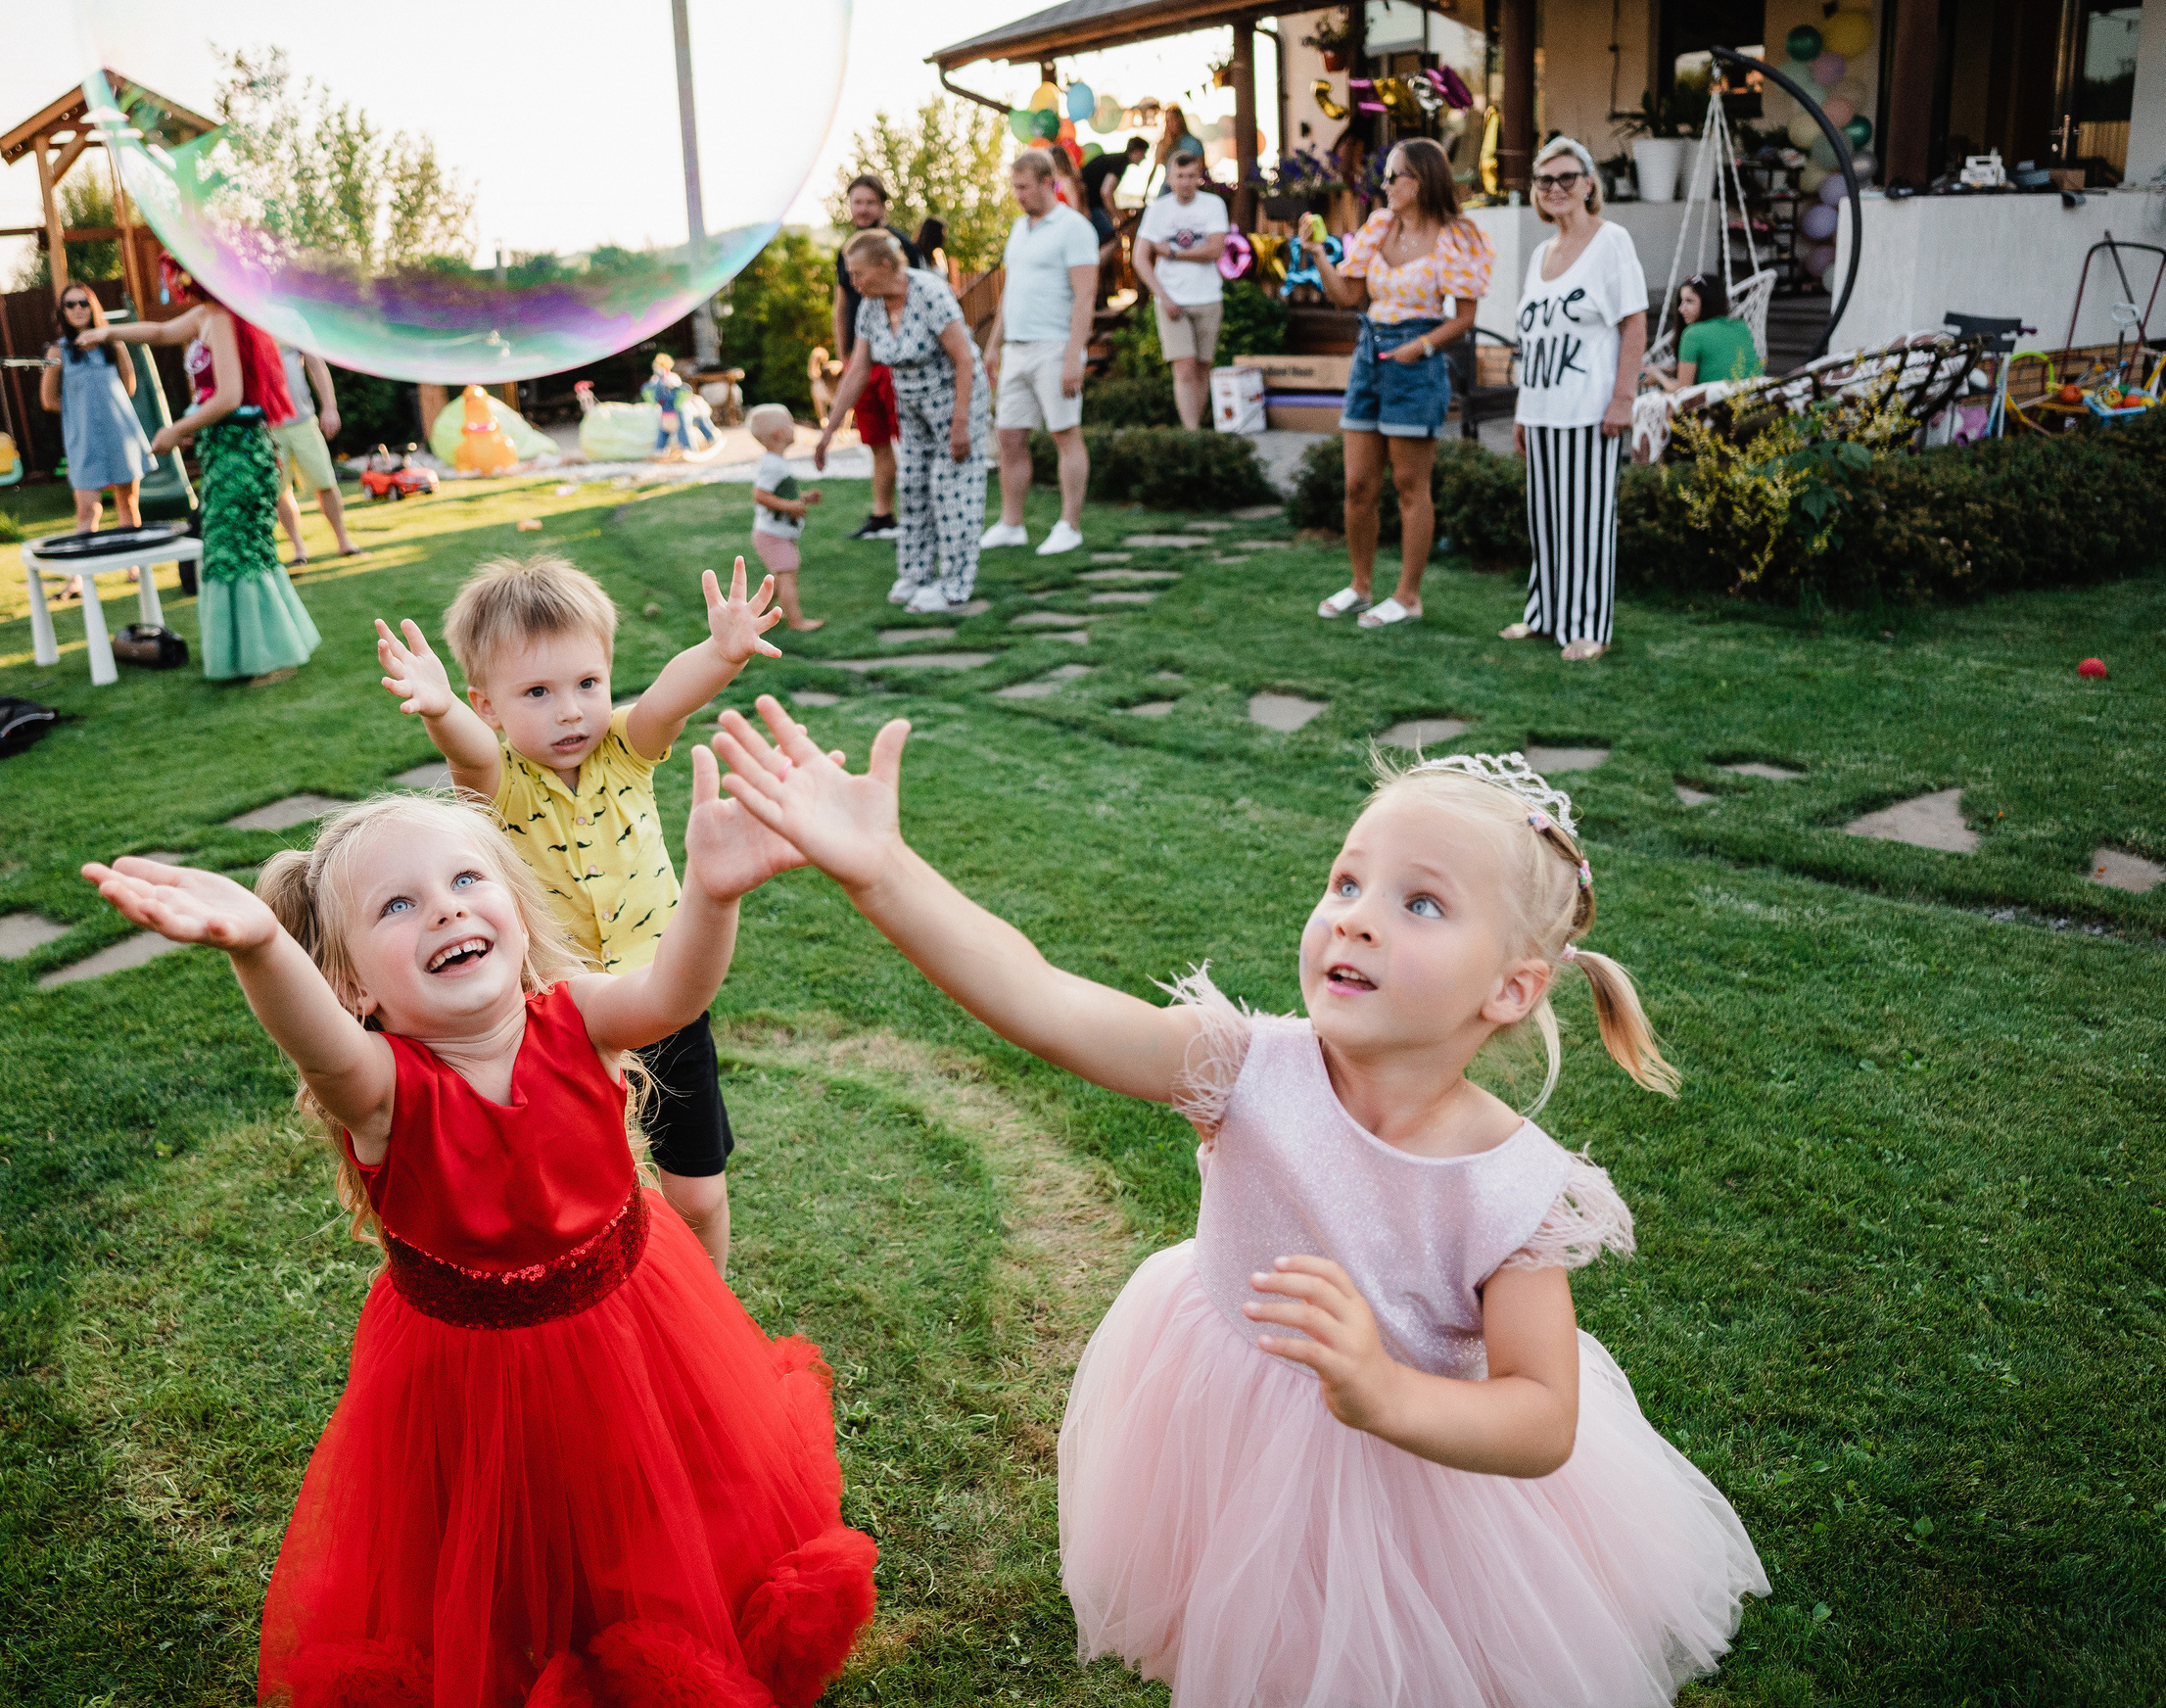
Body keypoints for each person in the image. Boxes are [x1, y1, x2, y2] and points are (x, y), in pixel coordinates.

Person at [707, 705, 1770, 1708]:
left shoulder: (1511, 1187)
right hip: (1227, 1430)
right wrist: (881, 871)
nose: (1354, 918)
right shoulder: (1246, 1066)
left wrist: (1385, 1392)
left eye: (1420, 902)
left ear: (1510, 988)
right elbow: (1042, 1000)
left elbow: (1542, 1419)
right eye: (1346, 881)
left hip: (1424, 1483)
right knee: (1261, 1642)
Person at [79, 784, 877, 1707]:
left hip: (636, 1324)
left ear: (512, 905)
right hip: (472, 1380)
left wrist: (713, 891)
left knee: (654, 1501)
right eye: (398, 905)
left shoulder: (580, 1019)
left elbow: (675, 992)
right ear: (355, 990)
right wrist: (260, 946)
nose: (447, 907)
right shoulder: (380, 1093)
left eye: (465, 878)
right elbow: (320, 1049)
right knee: (506, 1537)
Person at [370, 552, 783, 1270]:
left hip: (667, 1003)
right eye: (536, 692)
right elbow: (470, 756)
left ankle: (708, 1305)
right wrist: (443, 711)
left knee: (698, 1192)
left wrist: (720, 654)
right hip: (565, 1029)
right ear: (489, 705)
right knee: (596, 1198)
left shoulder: (624, 750)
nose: (569, 710)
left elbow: (664, 701)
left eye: (587, 683)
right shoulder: (499, 783)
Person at [80, 259, 320, 686]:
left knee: (239, 553)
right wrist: (107, 332)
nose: (178, 285)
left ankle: (271, 658)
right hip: (223, 454)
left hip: (242, 456)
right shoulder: (207, 316)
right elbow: (159, 332)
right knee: (231, 552)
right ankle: (252, 654)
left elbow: (229, 396)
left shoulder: (225, 319)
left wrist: (177, 429)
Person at [1313, 136, 1493, 632]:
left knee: (1410, 486)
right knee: (1357, 485)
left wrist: (1423, 346)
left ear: (1424, 180)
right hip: (1369, 354)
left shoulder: (1455, 236)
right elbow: (1348, 295)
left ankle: (1408, 596)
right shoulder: (1377, 227)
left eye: (1396, 176)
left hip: (1417, 360)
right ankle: (1360, 584)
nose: (1386, 185)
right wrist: (1318, 255)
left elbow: (1465, 317)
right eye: (1385, 176)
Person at [1507, 136, 1648, 664]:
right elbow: (1532, 340)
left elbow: (1634, 321)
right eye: (1545, 180)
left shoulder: (1612, 241)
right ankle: (1545, 615)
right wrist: (1523, 411)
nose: (1556, 188)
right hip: (1542, 409)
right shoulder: (1542, 252)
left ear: (1589, 184)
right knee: (1546, 518)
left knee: (1587, 519)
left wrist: (1624, 398)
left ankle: (1590, 625)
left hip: (1591, 410)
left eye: (1568, 177)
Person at [815, 229, 992, 617]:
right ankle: (916, 574)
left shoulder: (930, 293)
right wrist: (828, 432)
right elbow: (857, 370)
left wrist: (960, 423)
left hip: (956, 400)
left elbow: (964, 358)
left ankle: (954, 586)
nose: (853, 282)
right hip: (912, 406)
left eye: (858, 273)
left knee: (952, 490)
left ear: (884, 265)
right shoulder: (871, 306)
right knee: (912, 487)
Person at [981, 149, 1099, 560]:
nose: (1017, 195)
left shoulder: (1075, 228)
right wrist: (994, 346)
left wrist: (1073, 356)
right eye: (1014, 187)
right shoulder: (1019, 228)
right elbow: (1010, 292)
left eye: (1023, 187)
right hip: (1016, 349)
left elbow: (1085, 298)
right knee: (1009, 436)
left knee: (1065, 434)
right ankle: (1011, 524)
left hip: (1055, 347)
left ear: (1048, 182)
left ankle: (1070, 525)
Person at [830, 175, 925, 543]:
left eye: (870, 202)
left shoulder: (901, 246)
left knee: (910, 440)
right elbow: (842, 304)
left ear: (883, 205)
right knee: (877, 442)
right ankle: (883, 514)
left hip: (895, 362)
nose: (863, 208)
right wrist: (845, 358)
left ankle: (918, 515)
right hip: (862, 361)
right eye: (857, 202)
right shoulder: (848, 250)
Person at [37, 281, 153, 539]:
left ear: (93, 307)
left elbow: (129, 387)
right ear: (63, 312)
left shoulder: (113, 343)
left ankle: (134, 567)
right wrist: (79, 412)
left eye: (83, 303)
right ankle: (80, 576)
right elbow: (48, 399)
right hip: (85, 439)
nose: (78, 309)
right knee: (87, 509)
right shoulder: (58, 350)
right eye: (70, 304)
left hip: (121, 434)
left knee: (128, 503)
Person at [1132, 147, 1232, 430]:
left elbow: (1215, 250)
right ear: (1170, 178)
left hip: (1208, 296)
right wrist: (1162, 297)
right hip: (1172, 298)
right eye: (1180, 176)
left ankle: (1195, 429)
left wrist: (1174, 254)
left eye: (1191, 176)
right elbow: (1139, 258)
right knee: (1184, 366)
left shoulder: (1213, 205)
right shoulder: (1157, 210)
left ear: (1199, 177)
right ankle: (1192, 432)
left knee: (1202, 368)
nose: (1185, 182)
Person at [270, 343, 359, 564]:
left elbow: (316, 365)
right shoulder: (250, 322)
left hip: (303, 420)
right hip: (268, 426)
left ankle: (343, 541)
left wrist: (329, 407)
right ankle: (299, 550)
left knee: (325, 481)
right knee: (280, 490)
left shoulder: (292, 319)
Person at [746, 402, 824, 631]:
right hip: (771, 534)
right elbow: (760, 495)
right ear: (779, 434)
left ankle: (756, 614)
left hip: (775, 533)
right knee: (787, 575)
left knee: (781, 578)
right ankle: (796, 622)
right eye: (790, 424)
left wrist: (803, 498)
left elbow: (780, 493)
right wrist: (790, 507)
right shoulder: (772, 465)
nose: (795, 427)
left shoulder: (777, 462)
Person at [1644, 273, 1764, 391]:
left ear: (1707, 302)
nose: (1681, 309)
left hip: (1720, 404)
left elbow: (1682, 391)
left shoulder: (1693, 334)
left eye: (1689, 301)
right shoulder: (1741, 326)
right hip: (1754, 396)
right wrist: (1665, 371)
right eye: (1681, 301)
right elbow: (1717, 367)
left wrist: (1658, 377)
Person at [1081, 136, 1151, 276]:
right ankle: (1090, 274)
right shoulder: (1119, 162)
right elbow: (1106, 192)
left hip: (1089, 204)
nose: (1143, 158)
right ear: (1137, 151)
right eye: (1144, 154)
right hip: (1090, 205)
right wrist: (1120, 217)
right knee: (1112, 239)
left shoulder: (1114, 159)